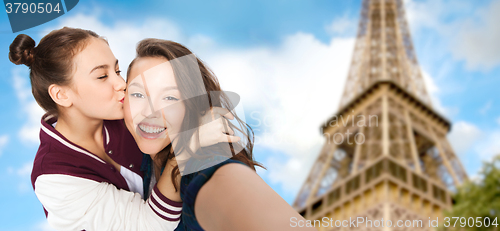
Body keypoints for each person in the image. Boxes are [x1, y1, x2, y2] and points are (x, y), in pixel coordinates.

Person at [9, 27, 236, 231]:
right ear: (61, 94)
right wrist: (187, 148)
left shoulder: (124, 112)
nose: (121, 84)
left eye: (117, 71)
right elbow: (150, 225)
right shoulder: (54, 177)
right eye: (102, 76)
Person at [124, 39, 316, 230]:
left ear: (192, 106)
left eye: (170, 98)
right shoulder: (128, 154)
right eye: (138, 94)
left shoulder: (207, 163)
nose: (150, 111)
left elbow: (224, 183)